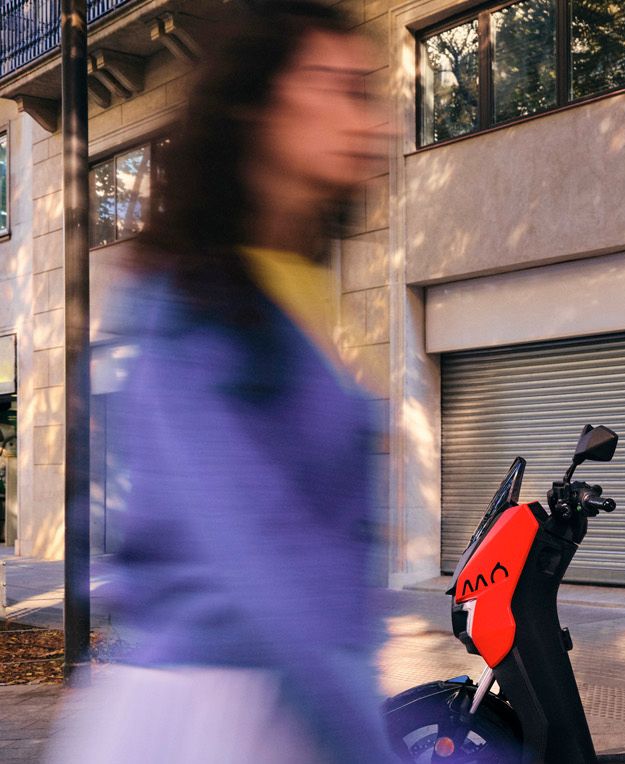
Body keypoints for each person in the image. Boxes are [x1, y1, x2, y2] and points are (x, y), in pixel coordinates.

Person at [43, 3, 397, 763]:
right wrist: (366, 738)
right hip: (204, 720)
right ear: (258, 109)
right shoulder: (185, 302)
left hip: (286, 709)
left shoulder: (295, 288)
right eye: (340, 88)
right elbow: (254, 568)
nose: (373, 118)